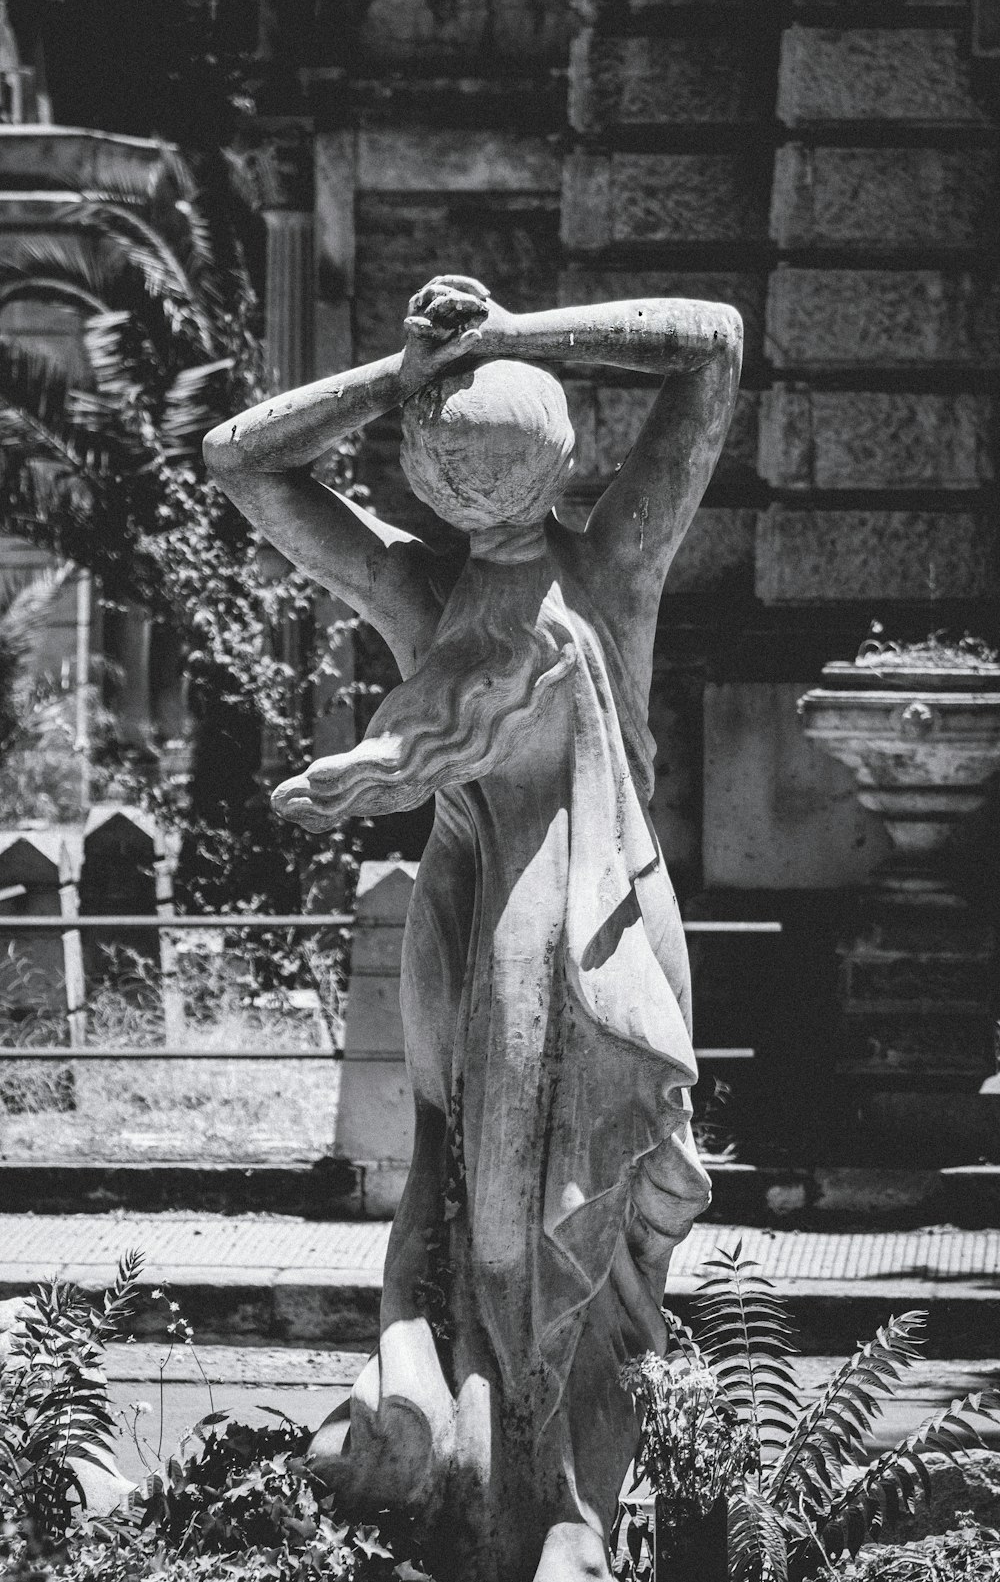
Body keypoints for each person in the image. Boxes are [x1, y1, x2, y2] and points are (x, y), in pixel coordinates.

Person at [204, 276, 743, 1582]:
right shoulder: (455, 581)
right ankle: (470, 1443)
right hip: (485, 919)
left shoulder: (537, 572)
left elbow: (716, 344)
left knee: (587, 1228)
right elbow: (239, 460)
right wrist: (424, 367)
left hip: (599, 915)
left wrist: (490, 345)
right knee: (462, 1186)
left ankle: (558, 1505)